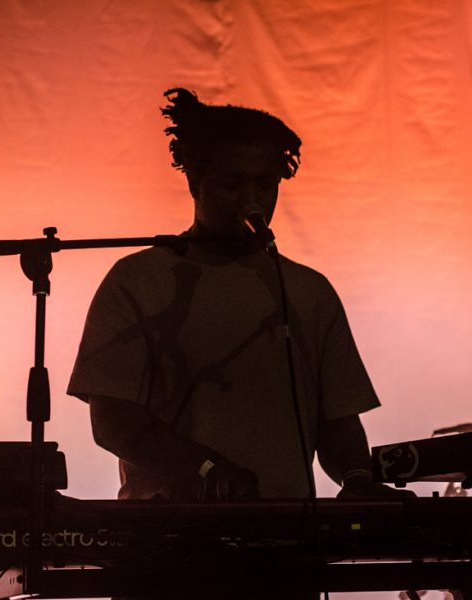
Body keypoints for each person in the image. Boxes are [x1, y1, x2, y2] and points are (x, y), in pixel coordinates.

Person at [68, 88, 394, 503]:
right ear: (194, 182)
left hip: (288, 531)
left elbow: (337, 422)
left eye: (265, 184)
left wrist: (359, 479)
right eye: (232, 184)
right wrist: (208, 470)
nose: (252, 199)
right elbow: (114, 421)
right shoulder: (137, 280)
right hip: (166, 533)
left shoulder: (309, 292)